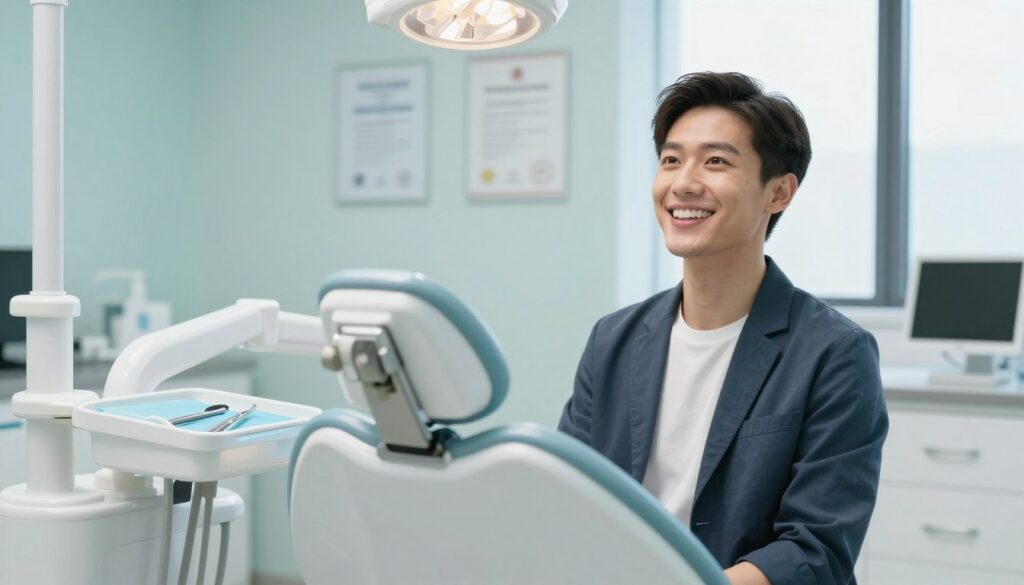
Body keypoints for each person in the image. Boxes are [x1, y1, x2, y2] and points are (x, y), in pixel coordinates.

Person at [558, 72, 888, 585]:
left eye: (715, 161)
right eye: (671, 160)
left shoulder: (834, 353)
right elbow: (568, 498)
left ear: (778, 193)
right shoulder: (613, 339)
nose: (683, 183)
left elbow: (816, 550)